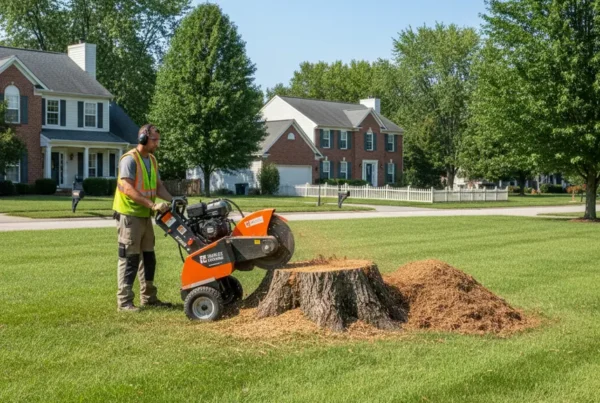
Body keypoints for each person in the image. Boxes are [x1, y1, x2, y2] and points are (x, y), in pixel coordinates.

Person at [112, 124, 173, 312]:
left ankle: (149, 297)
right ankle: (124, 301)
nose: (157, 144)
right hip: (130, 216)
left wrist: (174, 200)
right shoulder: (129, 160)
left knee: (148, 257)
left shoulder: (152, 160)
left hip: (145, 216)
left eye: (158, 140)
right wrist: (153, 205)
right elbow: (128, 188)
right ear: (143, 139)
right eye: (154, 140)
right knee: (129, 257)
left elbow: (158, 186)